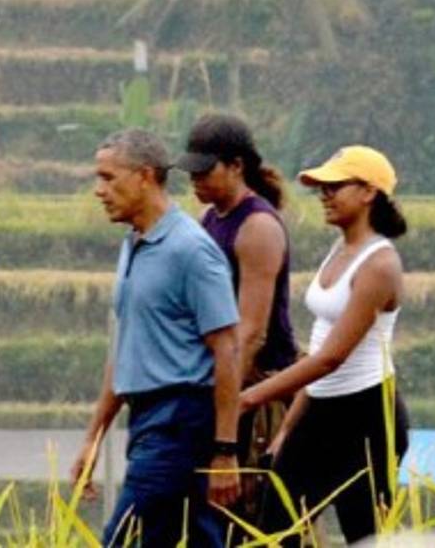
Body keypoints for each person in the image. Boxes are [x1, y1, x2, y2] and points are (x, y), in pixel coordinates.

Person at [70, 128, 242, 547]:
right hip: (146, 417)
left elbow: (228, 349)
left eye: (109, 178)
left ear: (145, 176)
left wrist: (225, 450)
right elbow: (127, 347)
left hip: (179, 419)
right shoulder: (134, 244)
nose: (99, 191)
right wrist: (94, 437)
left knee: (125, 538)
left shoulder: (191, 250)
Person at [239, 145, 410, 546]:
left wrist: (248, 398)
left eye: (335, 186)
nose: (325, 195)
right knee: (276, 530)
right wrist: (289, 429)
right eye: (322, 187)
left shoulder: (380, 264)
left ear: (369, 192)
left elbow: (330, 358)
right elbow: (318, 348)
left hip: (366, 418)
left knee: (364, 536)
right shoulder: (339, 249)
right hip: (320, 411)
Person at [174, 113, 298, 521]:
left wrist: (222, 411)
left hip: (256, 387)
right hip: (223, 379)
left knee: (251, 513)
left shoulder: (257, 226)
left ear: (237, 167)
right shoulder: (211, 219)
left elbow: (252, 332)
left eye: (205, 171)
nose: (196, 181)